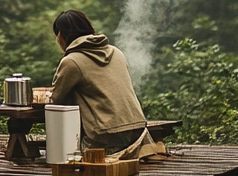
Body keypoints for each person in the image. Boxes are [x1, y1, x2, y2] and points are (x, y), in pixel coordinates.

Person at [49, 10, 164, 161]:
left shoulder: (71, 61)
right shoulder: (116, 52)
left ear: (61, 36)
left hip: (105, 136)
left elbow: (56, 100)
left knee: (70, 154)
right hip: (139, 133)